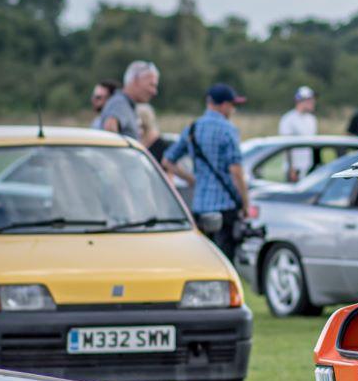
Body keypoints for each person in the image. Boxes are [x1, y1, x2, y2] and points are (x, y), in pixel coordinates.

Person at [164, 84, 257, 260]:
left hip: (200, 205)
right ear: (223, 105)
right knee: (224, 260)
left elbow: (167, 161)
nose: (233, 109)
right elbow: (235, 171)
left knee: (204, 259)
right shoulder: (228, 129)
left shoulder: (193, 128)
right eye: (232, 105)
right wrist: (245, 203)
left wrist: (191, 179)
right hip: (225, 206)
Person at [96, 60, 158, 141]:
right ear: (135, 81)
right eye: (151, 85)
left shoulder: (125, 104)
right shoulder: (120, 103)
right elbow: (109, 129)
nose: (154, 92)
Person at [279, 86, 318, 183]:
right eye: (309, 100)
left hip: (308, 168)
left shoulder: (312, 119)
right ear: (300, 101)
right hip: (294, 170)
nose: (313, 102)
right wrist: (291, 169)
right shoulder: (288, 119)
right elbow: (287, 146)